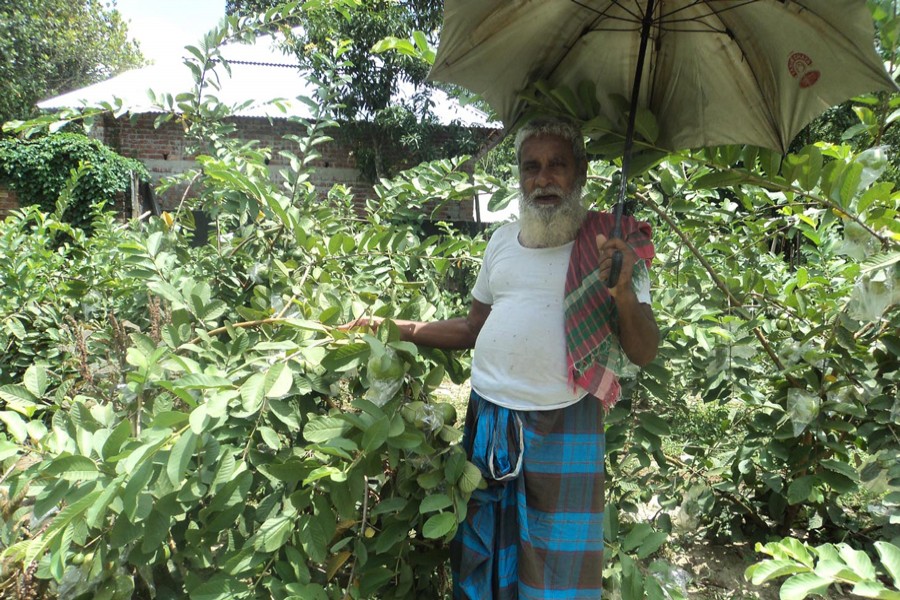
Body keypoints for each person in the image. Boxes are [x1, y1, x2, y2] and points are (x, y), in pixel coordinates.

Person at [348, 116, 659, 599]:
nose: (543, 178)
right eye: (530, 166)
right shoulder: (500, 243)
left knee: (558, 567)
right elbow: (473, 327)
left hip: (565, 425)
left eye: (557, 164)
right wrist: (395, 328)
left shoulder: (611, 248)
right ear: (518, 177)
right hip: (490, 419)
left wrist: (622, 292)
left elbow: (644, 351)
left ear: (581, 172)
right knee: (486, 555)